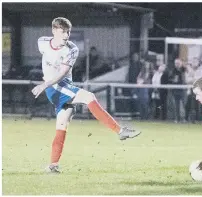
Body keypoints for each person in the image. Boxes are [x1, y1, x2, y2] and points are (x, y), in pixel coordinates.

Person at [31, 17, 141, 173]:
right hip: (55, 88)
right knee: (88, 96)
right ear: (54, 31)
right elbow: (51, 70)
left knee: (62, 125)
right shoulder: (42, 42)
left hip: (60, 85)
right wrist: (46, 82)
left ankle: (53, 165)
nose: (66, 36)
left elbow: (62, 73)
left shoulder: (71, 49)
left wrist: (44, 83)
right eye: (63, 32)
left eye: (68, 32)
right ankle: (120, 131)